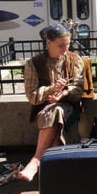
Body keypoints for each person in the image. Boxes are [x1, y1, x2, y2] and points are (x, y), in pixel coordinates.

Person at [18, 23, 84, 182]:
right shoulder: (34, 63)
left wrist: (64, 94)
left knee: (57, 111)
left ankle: (36, 162)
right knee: (54, 112)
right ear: (48, 43)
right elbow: (32, 96)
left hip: (69, 106)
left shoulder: (74, 59)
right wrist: (50, 89)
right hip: (43, 110)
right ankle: (55, 170)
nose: (65, 49)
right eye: (61, 45)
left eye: (68, 44)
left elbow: (79, 89)